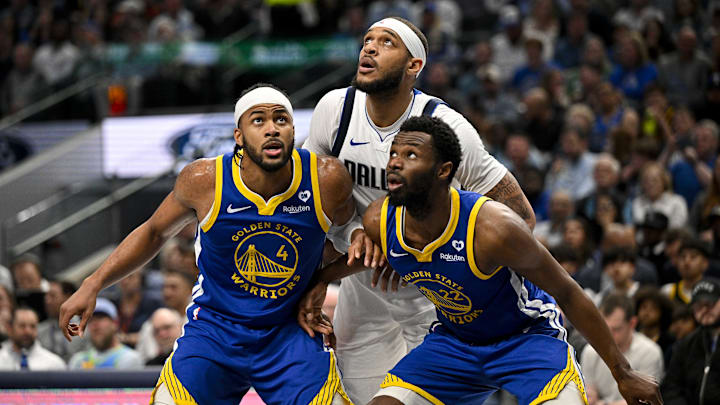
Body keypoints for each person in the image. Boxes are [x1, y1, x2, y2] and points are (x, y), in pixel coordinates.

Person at [300, 116, 662, 405]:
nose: (395, 163)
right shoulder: (380, 219)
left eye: (410, 156)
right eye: (393, 154)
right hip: (454, 342)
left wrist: (622, 371)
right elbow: (364, 259)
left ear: (443, 171)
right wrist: (321, 279)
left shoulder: (494, 228)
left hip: (525, 340)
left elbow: (568, 293)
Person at [60, 84, 357, 404]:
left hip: (289, 332)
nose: (272, 128)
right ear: (239, 136)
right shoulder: (205, 180)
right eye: (258, 121)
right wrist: (93, 283)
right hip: (216, 330)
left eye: (281, 120)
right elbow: (153, 233)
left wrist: (320, 277)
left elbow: (349, 238)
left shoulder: (326, 179)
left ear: (293, 130)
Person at [303, 16, 536, 404]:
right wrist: (346, 243)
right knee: (362, 397)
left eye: (387, 42)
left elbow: (521, 217)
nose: (370, 47)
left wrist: (432, 256)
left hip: (433, 292)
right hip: (363, 287)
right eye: (367, 40)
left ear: (415, 65)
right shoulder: (335, 109)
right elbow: (309, 197)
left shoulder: (447, 128)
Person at [581, 294, 664, 405]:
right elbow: (588, 394)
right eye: (604, 328)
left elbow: (645, 401)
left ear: (632, 323)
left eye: (616, 329)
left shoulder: (650, 352)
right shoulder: (591, 351)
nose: (608, 335)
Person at [661, 278, 720, 405]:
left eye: (709, 304)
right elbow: (671, 388)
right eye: (698, 306)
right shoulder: (686, 344)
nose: (704, 310)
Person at [68, 298, 142, 369]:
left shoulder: (129, 358)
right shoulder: (78, 360)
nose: (95, 325)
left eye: (100, 318)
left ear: (115, 323)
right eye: (90, 320)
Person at [0, 307, 65, 370]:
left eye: (32, 326)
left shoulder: (54, 364)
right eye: (22, 326)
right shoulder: (1, 359)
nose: (28, 331)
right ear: (10, 328)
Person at [37, 280, 87, 361]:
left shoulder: (87, 330)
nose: (47, 301)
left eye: (52, 296)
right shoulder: (38, 332)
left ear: (69, 298)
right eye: (46, 296)